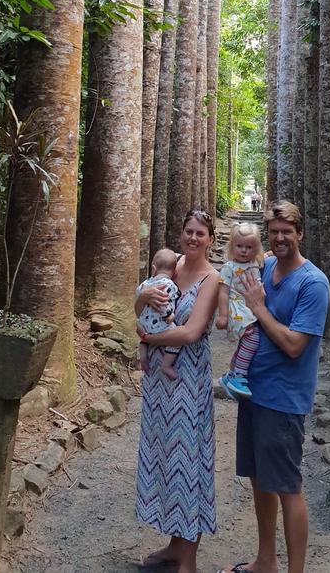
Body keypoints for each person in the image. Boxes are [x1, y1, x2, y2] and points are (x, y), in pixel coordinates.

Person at [217, 200, 330, 573]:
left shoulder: (312, 283)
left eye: (287, 231)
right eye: (275, 231)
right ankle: (266, 561)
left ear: (300, 233)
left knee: (287, 486)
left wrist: (259, 308)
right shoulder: (265, 270)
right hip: (254, 392)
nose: (280, 238)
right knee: (259, 479)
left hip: (283, 399)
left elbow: (295, 345)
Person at [135, 209, 220, 573]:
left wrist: (148, 337)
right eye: (189, 231)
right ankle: (173, 546)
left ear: (211, 239)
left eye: (201, 233)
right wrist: (143, 304)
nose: (193, 238)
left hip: (188, 380)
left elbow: (191, 332)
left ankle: (189, 559)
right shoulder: (167, 265)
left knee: (189, 462)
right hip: (159, 381)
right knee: (165, 459)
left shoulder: (212, 279)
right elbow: (137, 306)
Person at [216, 221, 264, 399]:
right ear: (232, 247)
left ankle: (230, 374)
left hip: (251, 306)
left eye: (249, 247)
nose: (244, 250)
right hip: (238, 309)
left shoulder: (254, 263)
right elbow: (223, 292)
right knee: (252, 339)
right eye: (239, 246)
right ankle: (239, 376)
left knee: (246, 341)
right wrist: (222, 315)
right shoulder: (229, 268)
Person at [136, 248, 180, 378]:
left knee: (144, 338)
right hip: (160, 325)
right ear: (175, 272)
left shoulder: (146, 283)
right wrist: (168, 316)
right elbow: (162, 303)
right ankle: (166, 364)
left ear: (153, 269)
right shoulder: (169, 284)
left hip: (144, 324)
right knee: (177, 340)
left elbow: (138, 293)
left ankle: (143, 356)